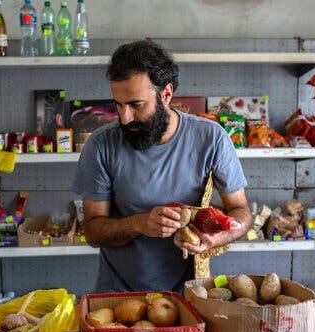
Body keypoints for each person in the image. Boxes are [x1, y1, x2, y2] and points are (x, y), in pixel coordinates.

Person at [72, 40, 252, 292]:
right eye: (118, 104)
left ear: (166, 94)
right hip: (118, 295)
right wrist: (139, 224)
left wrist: (214, 239)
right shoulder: (101, 145)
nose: (124, 118)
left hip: (189, 293)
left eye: (136, 105)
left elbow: (241, 212)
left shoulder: (211, 138)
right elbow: (93, 232)